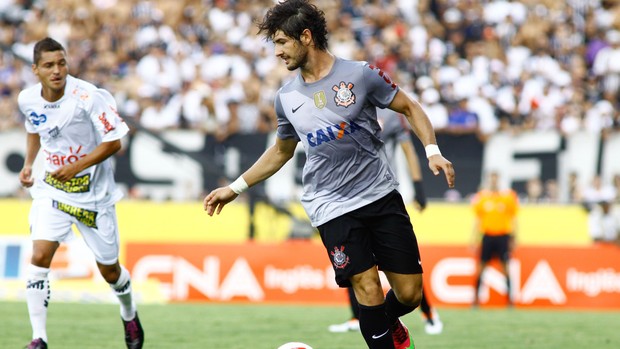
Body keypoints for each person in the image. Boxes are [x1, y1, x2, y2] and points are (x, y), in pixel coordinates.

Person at [203, 2, 455, 349]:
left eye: (281, 42)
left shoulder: (361, 75)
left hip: (380, 195)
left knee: (410, 294)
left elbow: (409, 106)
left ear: (306, 37)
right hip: (329, 204)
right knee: (365, 285)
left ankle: (388, 320)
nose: (277, 52)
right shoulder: (286, 97)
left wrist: (432, 151)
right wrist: (235, 187)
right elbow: (281, 150)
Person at [17, 37, 144, 349]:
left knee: (110, 270)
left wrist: (77, 167)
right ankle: (39, 338)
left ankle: (128, 312)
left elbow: (115, 142)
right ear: (36, 70)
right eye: (49, 65)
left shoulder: (88, 96)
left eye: (61, 63)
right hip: (53, 191)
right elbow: (35, 129)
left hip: (95, 197)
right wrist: (29, 163)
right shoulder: (27, 99)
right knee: (39, 255)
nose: (57, 70)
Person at [328, 109, 443, 335]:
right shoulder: (339, 107)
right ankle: (356, 316)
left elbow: (407, 148)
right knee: (355, 263)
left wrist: (418, 186)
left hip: (383, 196)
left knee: (403, 267)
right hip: (348, 197)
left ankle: (428, 313)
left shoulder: (389, 113)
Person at [471, 171, 518, 307]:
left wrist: (514, 238)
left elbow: (513, 218)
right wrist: (473, 240)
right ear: (488, 180)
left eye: (495, 178)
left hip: (503, 236)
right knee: (481, 267)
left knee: (506, 268)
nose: (493, 181)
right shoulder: (482, 198)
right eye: (491, 178)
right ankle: (475, 300)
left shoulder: (507, 198)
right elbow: (477, 220)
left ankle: (510, 301)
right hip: (487, 236)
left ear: (499, 180)